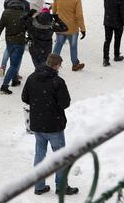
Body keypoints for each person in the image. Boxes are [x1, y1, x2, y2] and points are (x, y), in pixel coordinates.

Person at [22, 54, 79, 197]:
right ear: (57, 65)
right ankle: (61, 187)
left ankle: (39, 186)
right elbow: (65, 103)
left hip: (37, 124)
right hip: (54, 125)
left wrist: (39, 103)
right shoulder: (57, 82)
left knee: (39, 154)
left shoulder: (32, 77)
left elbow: (25, 97)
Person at [0, 0, 29, 94]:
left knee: (13, 61)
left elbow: (0, 27)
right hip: (20, 41)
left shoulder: (6, 12)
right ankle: (4, 86)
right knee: (14, 64)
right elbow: (28, 28)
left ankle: (15, 80)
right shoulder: (24, 14)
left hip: (9, 41)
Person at [52, 0, 86, 71]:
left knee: (58, 45)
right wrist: (83, 29)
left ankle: (52, 65)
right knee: (73, 46)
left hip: (60, 27)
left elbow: (54, 11)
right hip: (72, 28)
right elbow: (79, 15)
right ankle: (75, 64)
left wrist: (57, 21)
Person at [103, 0, 124, 67]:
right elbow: (123, 10)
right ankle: (116, 55)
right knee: (117, 39)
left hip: (108, 19)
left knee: (107, 40)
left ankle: (105, 59)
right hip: (118, 21)